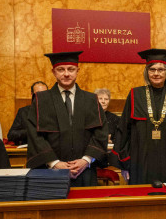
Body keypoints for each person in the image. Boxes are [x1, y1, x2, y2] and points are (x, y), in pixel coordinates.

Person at [113, 49, 166, 184]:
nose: (156, 73)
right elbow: (124, 130)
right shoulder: (135, 95)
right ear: (147, 72)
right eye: (152, 70)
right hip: (139, 161)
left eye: (161, 70)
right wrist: (124, 163)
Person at [25, 51, 108, 187]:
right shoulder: (41, 100)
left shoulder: (91, 100)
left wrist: (86, 160)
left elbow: (101, 132)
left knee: (84, 207)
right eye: (60, 69)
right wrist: (55, 163)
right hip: (50, 172)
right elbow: (34, 135)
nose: (66, 74)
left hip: (84, 171)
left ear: (77, 71)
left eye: (71, 69)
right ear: (53, 72)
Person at [7, 81, 48, 145]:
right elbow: (11, 135)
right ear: (32, 94)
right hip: (27, 150)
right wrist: (30, 131)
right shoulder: (23, 112)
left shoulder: (54, 111)